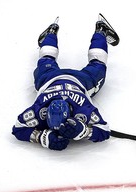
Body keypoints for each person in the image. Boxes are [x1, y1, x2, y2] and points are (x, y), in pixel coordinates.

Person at [12, 13, 119, 151]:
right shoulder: (82, 109)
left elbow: (19, 129)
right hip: (56, 78)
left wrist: (43, 137)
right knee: (48, 58)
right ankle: (97, 32)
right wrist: (83, 131)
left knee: (96, 64)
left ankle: (54, 32)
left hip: (68, 79)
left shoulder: (40, 112)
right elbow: (103, 130)